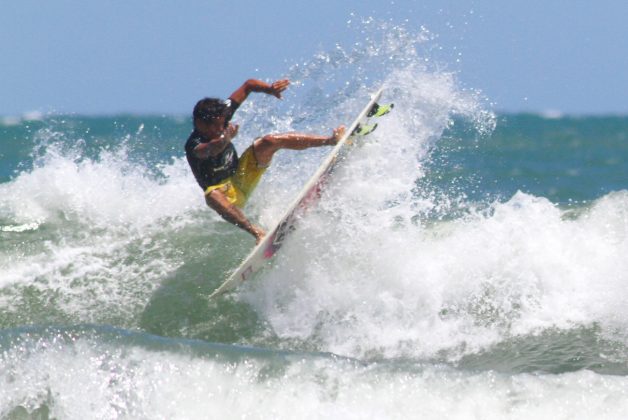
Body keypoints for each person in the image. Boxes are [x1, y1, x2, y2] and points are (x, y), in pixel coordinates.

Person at [185, 78, 345, 244]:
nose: (220, 129)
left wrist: (269, 89)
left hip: (243, 173)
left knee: (269, 141)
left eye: (223, 124)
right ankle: (257, 233)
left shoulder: (221, 116)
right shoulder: (193, 144)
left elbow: (248, 85)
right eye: (215, 127)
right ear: (200, 123)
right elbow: (210, 149)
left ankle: (330, 140)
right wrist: (225, 138)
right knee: (211, 195)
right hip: (227, 194)